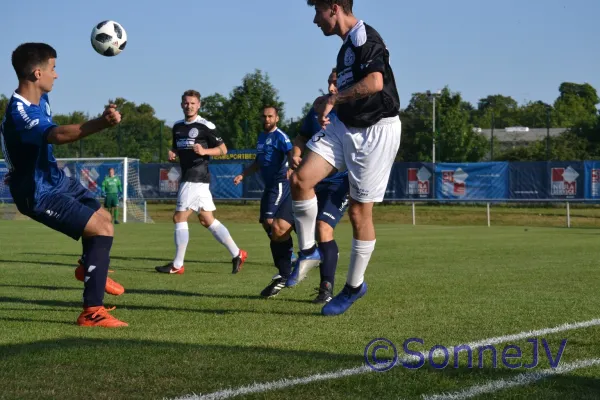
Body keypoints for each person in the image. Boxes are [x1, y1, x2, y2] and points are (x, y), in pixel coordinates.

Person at [1, 42, 127, 327]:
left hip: (54, 180)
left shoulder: (40, 99)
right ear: (36, 73)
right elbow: (56, 135)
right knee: (102, 228)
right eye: (53, 69)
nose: (56, 75)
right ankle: (92, 312)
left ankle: (89, 267)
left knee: (104, 218)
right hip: (39, 193)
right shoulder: (20, 113)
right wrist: (101, 123)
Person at [292, 1, 402, 315]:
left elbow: (375, 83)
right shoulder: (345, 47)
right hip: (346, 127)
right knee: (300, 180)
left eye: (318, 11)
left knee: (358, 214)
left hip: (376, 131)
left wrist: (335, 98)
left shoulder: (364, 38)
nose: (315, 20)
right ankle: (310, 251)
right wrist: (328, 103)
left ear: (335, 8)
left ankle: (354, 286)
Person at [155, 90, 247, 275]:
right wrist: (173, 153)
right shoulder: (178, 127)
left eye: (193, 103)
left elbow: (223, 149)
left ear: (199, 105)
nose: (189, 106)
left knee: (179, 217)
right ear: (181, 104)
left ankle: (177, 265)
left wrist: (205, 152)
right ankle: (237, 253)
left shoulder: (206, 126)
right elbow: (177, 148)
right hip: (192, 178)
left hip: (195, 178)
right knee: (207, 220)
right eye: (186, 103)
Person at [287, 68, 349, 304]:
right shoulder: (318, 110)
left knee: (324, 228)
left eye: (336, 83)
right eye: (329, 82)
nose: (332, 87)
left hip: (339, 181)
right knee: (283, 225)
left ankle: (326, 287)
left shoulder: (350, 111)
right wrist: (296, 153)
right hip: (312, 181)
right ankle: (293, 265)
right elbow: (301, 136)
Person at [233, 106, 295, 297]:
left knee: (271, 222)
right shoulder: (262, 137)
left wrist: (292, 168)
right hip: (269, 185)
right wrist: (243, 174)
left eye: (270, 116)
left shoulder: (280, 136)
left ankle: (289, 257)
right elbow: (259, 162)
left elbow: (292, 152)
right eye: (264, 116)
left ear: (277, 118)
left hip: (280, 183)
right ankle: (288, 253)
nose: (267, 119)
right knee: (264, 222)